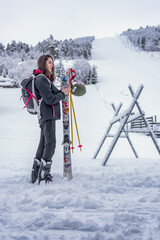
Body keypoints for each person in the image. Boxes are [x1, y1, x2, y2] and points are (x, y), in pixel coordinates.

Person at [31, 54, 70, 184]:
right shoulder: (41, 79)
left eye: (52, 63)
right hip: (47, 114)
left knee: (44, 143)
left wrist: (60, 92)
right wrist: (63, 94)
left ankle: (36, 174)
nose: (51, 65)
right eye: (49, 62)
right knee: (51, 143)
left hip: (47, 114)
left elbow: (52, 94)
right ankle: (44, 174)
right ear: (43, 64)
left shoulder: (45, 79)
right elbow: (50, 99)